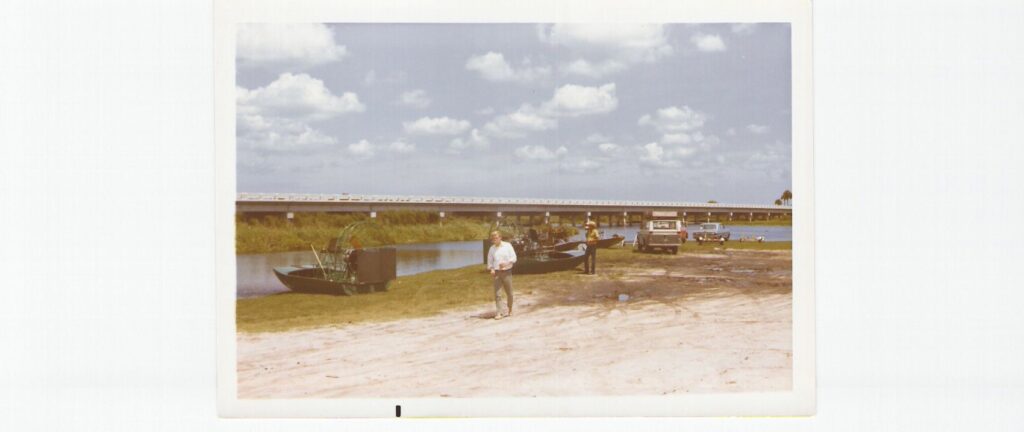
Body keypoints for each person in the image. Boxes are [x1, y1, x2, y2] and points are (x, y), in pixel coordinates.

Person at [486, 231, 517, 320]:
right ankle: (499, 312)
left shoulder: (507, 246)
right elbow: (490, 261)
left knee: (510, 293)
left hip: (507, 272)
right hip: (497, 273)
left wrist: (506, 263)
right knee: (497, 294)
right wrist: (492, 269)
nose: (495, 240)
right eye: (493, 239)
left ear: (500, 237)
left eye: (496, 238)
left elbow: (514, 258)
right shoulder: (492, 249)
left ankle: (510, 309)